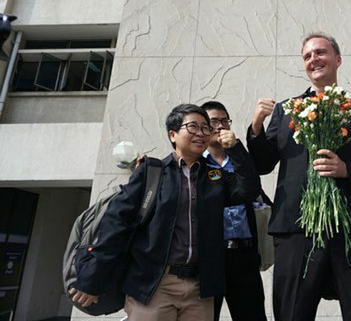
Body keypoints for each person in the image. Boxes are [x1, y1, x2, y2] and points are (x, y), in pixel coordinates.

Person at [246, 32, 351, 321]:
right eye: (307, 56)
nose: (314, 59)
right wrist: (256, 126)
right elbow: (263, 164)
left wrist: (348, 170)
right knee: (292, 312)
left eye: (321, 53)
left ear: (337, 59)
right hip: (296, 228)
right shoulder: (285, 110)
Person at [69, 104, 261, 321]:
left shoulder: (215, 177)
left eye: (205, 128)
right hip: (155, 283)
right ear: (173, 134)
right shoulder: (152, 171)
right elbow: (117, 224)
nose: (201, 133)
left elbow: (248, 191)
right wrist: (93, 277)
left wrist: (235, 148)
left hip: (200, 287)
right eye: (193, 127)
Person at [200, 101, 268, 321]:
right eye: (213, 122)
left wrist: (237, 148)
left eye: (224, 121)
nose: (220, 126)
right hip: (210, 256)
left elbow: (251, 188)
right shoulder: (197, 165)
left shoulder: (240, 158)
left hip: (244, 254)